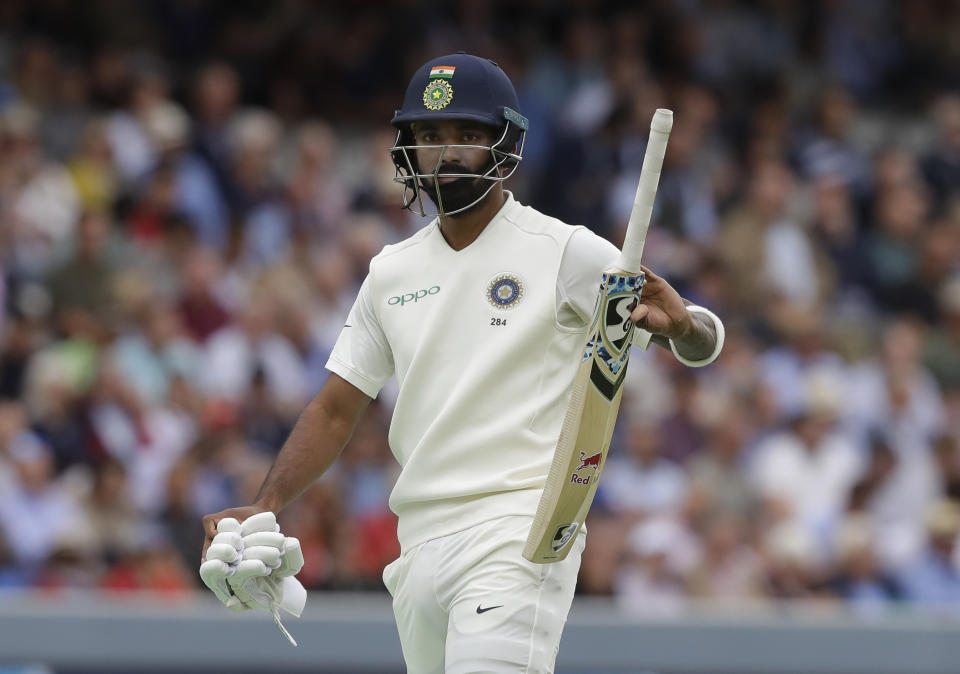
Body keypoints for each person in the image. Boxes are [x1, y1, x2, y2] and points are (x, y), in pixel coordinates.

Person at [201, 53, 724, 673]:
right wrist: (268, 501)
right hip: (418, 543)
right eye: (428, 136)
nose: (445, 153)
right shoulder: (390, 272)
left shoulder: (566, 251)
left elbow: (702, 342)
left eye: (466, 136)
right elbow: (337, 407)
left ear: (504, 145)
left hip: (518, 529)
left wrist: (684, 326)